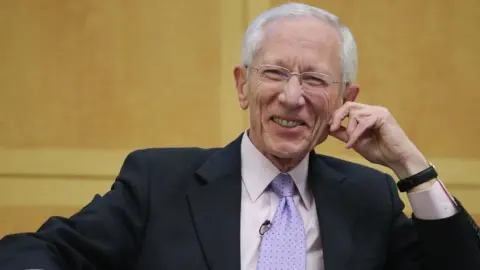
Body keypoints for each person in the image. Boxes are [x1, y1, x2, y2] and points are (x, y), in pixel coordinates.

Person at [1, 2, 479, 270]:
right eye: (274, 73)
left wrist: (411, 166)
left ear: (345, 97)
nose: (292, 97)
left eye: (314, 80)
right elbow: (44, 254)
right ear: (242, 86)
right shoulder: (158, 181)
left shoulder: (368, 198)